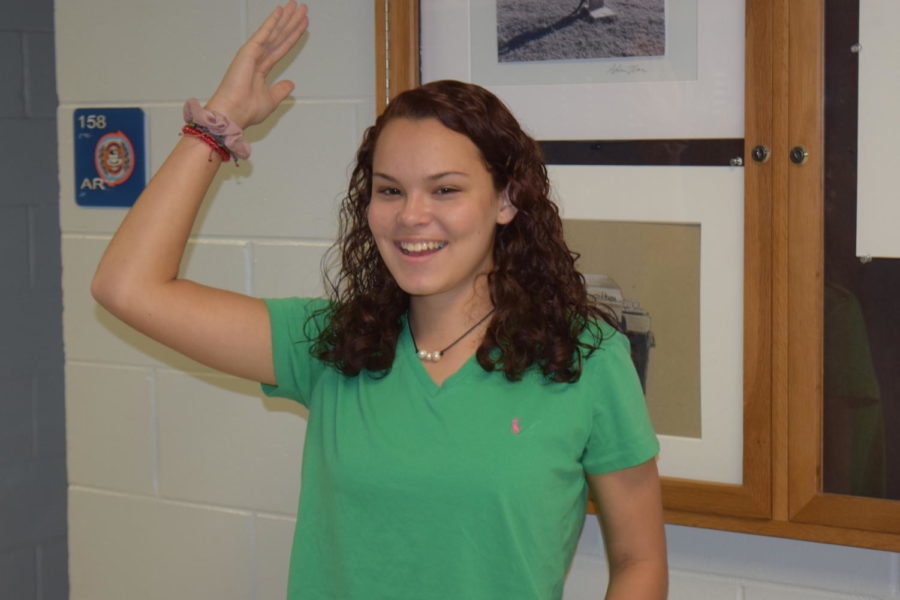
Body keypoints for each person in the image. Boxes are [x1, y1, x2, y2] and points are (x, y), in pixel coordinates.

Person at [90, 2, 668, 598]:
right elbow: (126, 287)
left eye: (445, 189)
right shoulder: (331, 346)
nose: (412, 215)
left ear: (506, 200)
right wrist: (216, 126)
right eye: (389, 190)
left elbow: (639, 561)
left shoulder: (585, 358)